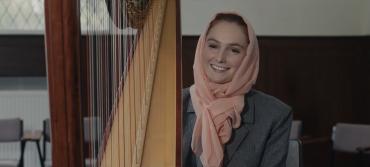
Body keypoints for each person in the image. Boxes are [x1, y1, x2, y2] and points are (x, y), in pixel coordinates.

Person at [182, 12, 292, 167]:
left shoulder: (275, 115)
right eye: (213, 46)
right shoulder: (173, 104)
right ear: (201, 48)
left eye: (234, 50)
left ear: (248, 58)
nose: (220, 57)